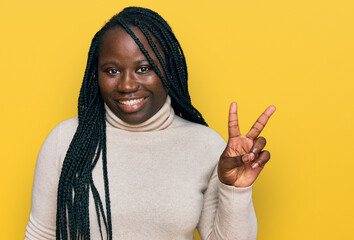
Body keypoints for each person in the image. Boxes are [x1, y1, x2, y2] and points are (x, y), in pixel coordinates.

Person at [25, 6, 275, 240]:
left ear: (168, 70)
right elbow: (41, 235)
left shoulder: (205, 145)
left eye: (144, 69)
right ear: (96, 74)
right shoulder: (66, 140)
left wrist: (236, 191)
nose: (127, 85)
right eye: (112, 71)